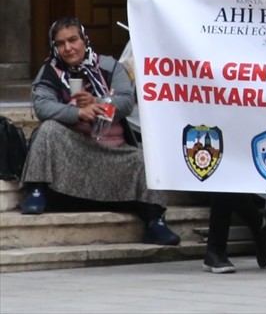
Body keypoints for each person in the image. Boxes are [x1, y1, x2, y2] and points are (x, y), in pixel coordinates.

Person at [19, 17, 181, 246]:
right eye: (60, 43)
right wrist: (77, 113)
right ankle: (36, 191)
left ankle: (154, 221)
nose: (68, 48)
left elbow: (125, 101)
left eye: (73, 40)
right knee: (48, 130)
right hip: (74, 149)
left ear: (84, 39)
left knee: (143, 159)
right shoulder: (50, 72)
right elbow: (43, 106)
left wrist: (98, 102)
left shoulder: (110, 66)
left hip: (110, 149)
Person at [192, 0, 266, 275]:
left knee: (219, 169)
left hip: (229, 101)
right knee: (214, 169)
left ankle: (216, 251)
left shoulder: (237, 2)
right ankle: (257, 219)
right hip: (193, 101)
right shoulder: (180, 3)